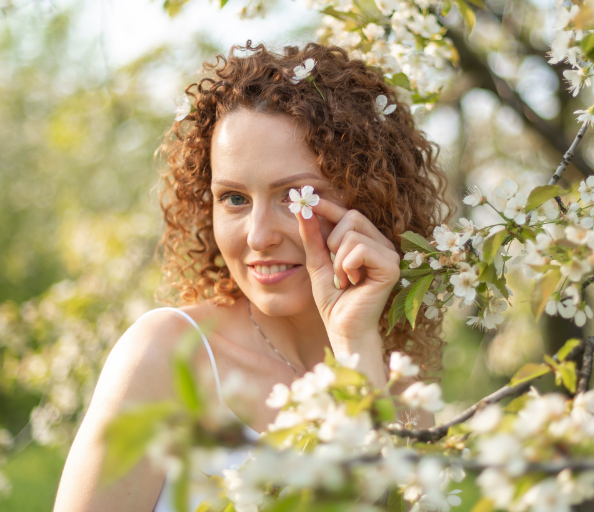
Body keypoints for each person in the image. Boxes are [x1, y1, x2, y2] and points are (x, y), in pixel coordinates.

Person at [53, 42, 450, 512]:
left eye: (295, 196)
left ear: (368, 199)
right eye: (235, 199)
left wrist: (355, 349)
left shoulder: (405, 393)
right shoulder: (166, 358)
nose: (259, 236)